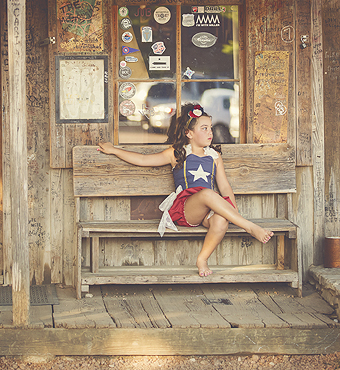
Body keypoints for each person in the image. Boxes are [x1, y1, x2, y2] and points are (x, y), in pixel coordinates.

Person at [97, 102, 273, 277]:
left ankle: (202, 259)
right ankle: (250, 228)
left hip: (208, 211)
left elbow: (225, 187)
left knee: (221, 220)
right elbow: (143, 160)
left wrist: (233, 214)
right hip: (186, 209)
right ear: (189, 133)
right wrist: (115, 150)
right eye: (204, 128)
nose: (210, 132)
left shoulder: (214, 156)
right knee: (207, 194)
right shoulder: (177, 153)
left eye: (210, 128)